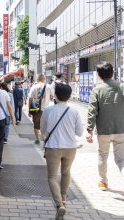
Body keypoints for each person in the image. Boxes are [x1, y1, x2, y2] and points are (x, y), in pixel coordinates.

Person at [86, 62, 124, 205]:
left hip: (103, 130)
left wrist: (89, 130)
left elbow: (92, 110)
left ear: (98, 75)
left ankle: (103, 182)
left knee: (103, 155)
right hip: (122, 129)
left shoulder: (97, 90)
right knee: (121, 159)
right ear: (113, 73)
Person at [40, 83, 84, 220]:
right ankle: (63, 200)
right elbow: (79, 132)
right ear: (69, 96)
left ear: (56, 95)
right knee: (66, 173)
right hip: (70, 147)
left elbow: (43, 130)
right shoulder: (74, 112)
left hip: (53, 147)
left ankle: (59, 205)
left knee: (52, 177)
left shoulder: (48, 111)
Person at [28, 74, 54, 144]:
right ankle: (45, 139)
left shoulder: (33, 87)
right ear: (44, 79)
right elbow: (54, 96)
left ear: (37, 79)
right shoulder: (48, 86)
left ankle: (37, 139)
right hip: (46, 109)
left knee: (36, 125)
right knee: (46, 125)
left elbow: (30, 99)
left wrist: (29, 111)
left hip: (36, 109)